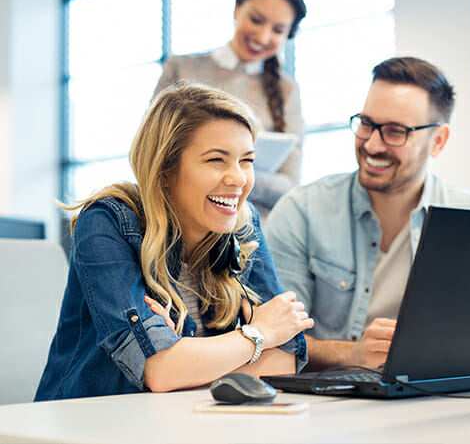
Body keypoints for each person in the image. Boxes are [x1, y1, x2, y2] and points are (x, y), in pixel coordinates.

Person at [35, 82, 313, 401]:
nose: (238, 178)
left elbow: (284, 361)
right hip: (83, 423)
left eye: (246, 160)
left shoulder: (242, 224)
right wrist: (259, 333)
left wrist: (185, 358)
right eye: (216, 160)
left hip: (182, 422)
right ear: (165, 169)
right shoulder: (106, 221)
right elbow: (161, 371)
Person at [264, 56, 470, 371]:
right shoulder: (301, 211)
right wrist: (352, 354)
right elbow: (274, 339)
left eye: (395, 131)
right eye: (366, 123)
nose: (372, 144)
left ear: (438, 141)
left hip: (438, 401)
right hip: (328, 407)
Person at [153, 0, 307, 214]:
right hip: (180, 220)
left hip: (252, 233)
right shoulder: (181, 69)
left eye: (278, 30)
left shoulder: (287, 91)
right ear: (237, 8)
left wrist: (228, 175)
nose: (263, 36)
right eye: (256, 20)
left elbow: (290, 186)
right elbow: (151, 153)